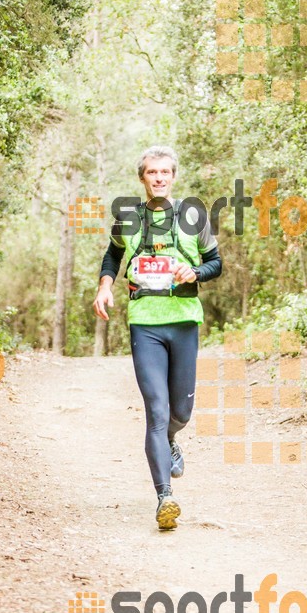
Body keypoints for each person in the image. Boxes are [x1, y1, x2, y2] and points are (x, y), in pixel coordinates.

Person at [93, 146, 222, 530]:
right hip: (144, 323)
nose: (159, 178)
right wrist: (105, 286)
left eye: (166, 172)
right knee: (156, 409)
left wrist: (194, 273)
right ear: (143, 178)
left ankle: (171, 440)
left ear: (174, 176)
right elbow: (112, 256)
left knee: (180, 413)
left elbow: (216, 264)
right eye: (152, 172)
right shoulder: (129, 219)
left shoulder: (193, 216)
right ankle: (165, 496)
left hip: (184, 321)